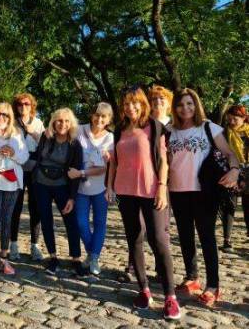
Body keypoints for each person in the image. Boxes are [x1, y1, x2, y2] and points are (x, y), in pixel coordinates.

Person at [106, 86, 181, 321]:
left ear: (142, 103)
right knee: (134, 239)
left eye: (135, 103)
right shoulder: (119, 130)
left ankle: (170, 296)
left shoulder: (154, 126)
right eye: (126, 104)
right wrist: (109, 186)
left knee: (159, 240)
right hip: (125, 192)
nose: (131, 107)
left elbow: (163, 161)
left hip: (151, 191)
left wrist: (162, 188)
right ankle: (144, 290)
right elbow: (115, 163)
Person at [168, 89, 239, 307]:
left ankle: (213, 286)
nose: (185, 108)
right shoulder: (169, 130)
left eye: (190, 103)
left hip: (204, 191)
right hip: (177, 191)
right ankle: (192, 278)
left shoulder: (209, 127)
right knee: (185, 236)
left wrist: (235, 170)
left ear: (196, 105)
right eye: (180, 104)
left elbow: (229, 153)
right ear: (175, 108)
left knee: (207, 237)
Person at [33, 108, 84, 277]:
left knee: (71, 221)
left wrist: (72, 197)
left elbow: (76, 171)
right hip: (41, 184)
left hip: (62, 185)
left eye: (66, 121)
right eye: (59, 120)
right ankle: (53, 257)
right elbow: (39, 158)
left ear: (71, 124)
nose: (62, 124)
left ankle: (76, 258)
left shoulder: (75, 143)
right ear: (54, 122)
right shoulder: (45, 137)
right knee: (46, 219)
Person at [0, 103, 29, 280]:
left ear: (10, 118)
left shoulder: (17, 134)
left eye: (5, 115)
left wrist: (13, 153)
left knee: (7, 221)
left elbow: (24, 158)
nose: (1, 118)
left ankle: (4, 258)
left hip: (12, 184)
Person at [68, 102, 114, 276]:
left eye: (104, 116)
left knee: (100, 223)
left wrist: (81, 172)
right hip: (80, 187)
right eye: (97, 115)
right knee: (81, 223)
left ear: (108, 119)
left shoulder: (110, 138)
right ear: (91, 115)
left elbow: (106, 167)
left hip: (101, 186)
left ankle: (93, 257)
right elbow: (62, 132)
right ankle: (93, 253)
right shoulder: (79, 130)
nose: (99, 119)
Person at [10, 93, 45, 261]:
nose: (23, 107)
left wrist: (33, 133)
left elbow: (46, 145)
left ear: (32, 106)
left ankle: (35, 245)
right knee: (15, 206)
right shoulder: (12, 122)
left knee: (35, 206)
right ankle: (13, 244)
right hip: (16, 165)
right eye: (20, 104)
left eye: (27, 104)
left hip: (35, 166)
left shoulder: (38, 123)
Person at [220, 105, 249, 248]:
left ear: (244, 118)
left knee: (248, 205)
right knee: (229, 205)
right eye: (229, 119)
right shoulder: (224, 133)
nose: (231, 122)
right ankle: (227, 239)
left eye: (235, 119)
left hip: (248, 172)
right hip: (231, 171)